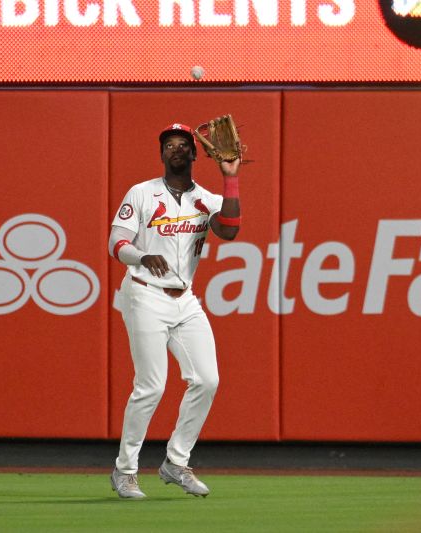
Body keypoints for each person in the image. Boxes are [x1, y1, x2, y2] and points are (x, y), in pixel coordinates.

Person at [108, 123, 241, 499]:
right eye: (170, 144)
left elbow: (229, 230)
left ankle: (175, 462)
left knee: (207, 380)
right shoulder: (143, 192)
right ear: (162, 153)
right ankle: (125, 471)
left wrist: (231, 179)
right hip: (144, 294)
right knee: (151, 386)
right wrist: (140, 255)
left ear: (196, 154)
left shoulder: (205, 198)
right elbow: (115, 241)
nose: (177, 149)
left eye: (184, 144)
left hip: (184, 298)